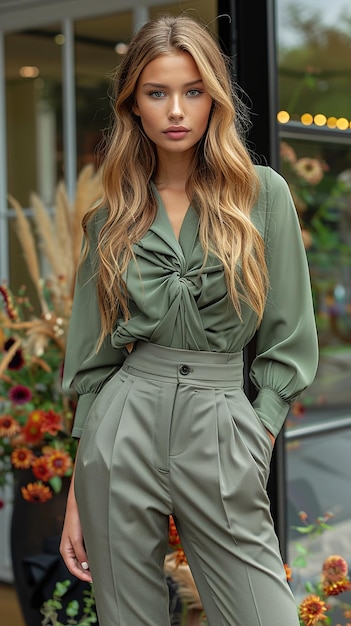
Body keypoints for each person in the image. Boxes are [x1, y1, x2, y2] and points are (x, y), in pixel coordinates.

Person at [60, 13, 318, 626]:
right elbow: (93, 359)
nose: (176, 110)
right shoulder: (110, 219)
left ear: (214, 101)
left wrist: (257, 434)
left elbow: (289, 334)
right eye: (157, 92)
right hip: (122, 425)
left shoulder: (262, 195)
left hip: (221, 421)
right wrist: (78, 489)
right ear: (135, 107)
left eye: (193, 91)